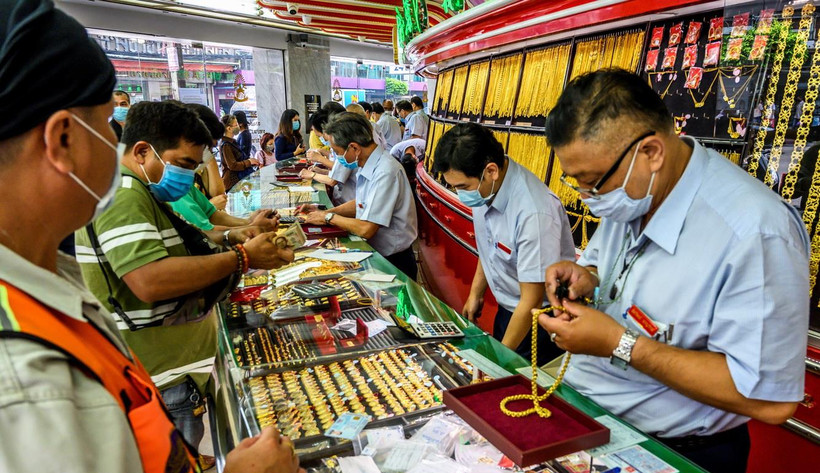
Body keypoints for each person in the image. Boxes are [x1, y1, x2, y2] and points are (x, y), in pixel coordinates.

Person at [0, 1, 304, 473]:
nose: (114, 149)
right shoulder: (22, 378)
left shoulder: (43, 285)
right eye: (104, 127)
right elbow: (148, 277)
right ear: (63, 140)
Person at [538, 69, 809, 473]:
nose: (587, 197)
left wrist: (619, 344)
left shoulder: (755, 233)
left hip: (674, 457)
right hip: (586, 414)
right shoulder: (633, 191)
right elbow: (616, 268)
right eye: (577, 184)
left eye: (592, 183)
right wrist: (587, 276)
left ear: (651, 152)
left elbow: (770, 399)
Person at [75, 100, 294, 454]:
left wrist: (230, 236)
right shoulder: (123, 195)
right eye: (183, 165)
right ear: (143, 151)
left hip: (173, 373)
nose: (189, 178)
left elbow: (176, 242)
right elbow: (149, 278)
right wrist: (242, 257)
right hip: (161, 379)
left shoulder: (138, 188)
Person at [434, 123, 574, 363]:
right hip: (509, 309)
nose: (460, 194)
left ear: (491, 171)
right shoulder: (486, 191)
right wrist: (476, 293)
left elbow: (531, 300)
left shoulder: (534, 212)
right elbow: (491, 246)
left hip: (538, 322)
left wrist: (499, 359)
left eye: (463, 187)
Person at [300, 112, 419, 279]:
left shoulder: (385, 171)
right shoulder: (367, 163)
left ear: (354, 148)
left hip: (394, 261)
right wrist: (327, 212)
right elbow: (362, 203)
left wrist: (329, 218)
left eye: (337, 152)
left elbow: (366, 228)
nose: (337, 158)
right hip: (379, 252)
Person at [187, 103, 227, 209]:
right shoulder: (177, 178)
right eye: (206, 147)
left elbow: (219, 193)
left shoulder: (199, 167)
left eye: (211, 149)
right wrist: (210, 207)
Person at [220, 113, 258, 191]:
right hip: (233, 183)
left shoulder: (232, 142)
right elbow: (232, 165)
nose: (238, 126)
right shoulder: (226, 145)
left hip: (239, 181)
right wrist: (249, 162)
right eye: (236, 124)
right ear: (229, 128)